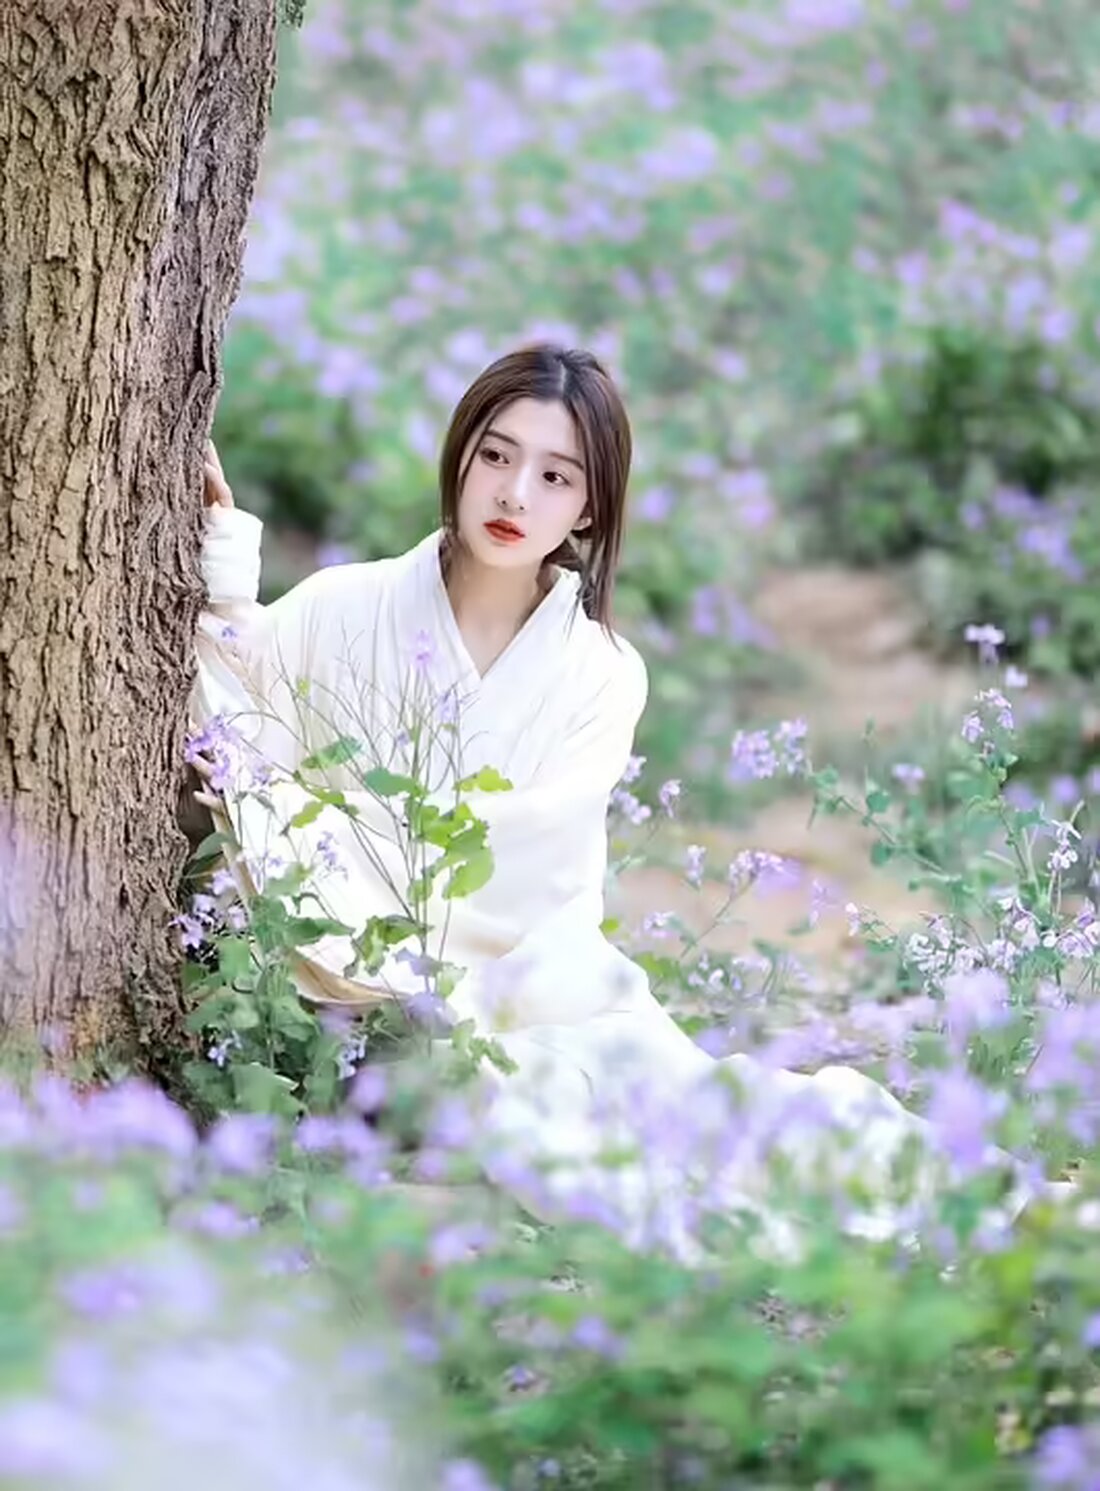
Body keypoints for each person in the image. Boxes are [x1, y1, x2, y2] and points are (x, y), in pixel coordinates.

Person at [188, 342, 1045, 1259]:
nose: (516, 495)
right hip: (357, 1005)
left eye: (556, 475)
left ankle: (927, 1184)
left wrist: (309, 827)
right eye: (496, 455)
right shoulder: (343, 605)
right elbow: (246, 725)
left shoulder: (602, 673)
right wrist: (229, 567)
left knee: (666, 1110)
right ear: (460, 457)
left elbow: (519, 864)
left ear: (590, 503)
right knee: (513, 1108)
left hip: (538, 988)